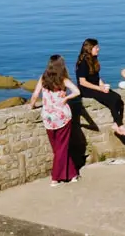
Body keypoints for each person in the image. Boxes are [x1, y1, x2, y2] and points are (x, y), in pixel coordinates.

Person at [29, 54, 81, 186]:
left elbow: (35, 95)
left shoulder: (43, 78)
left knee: (58, 148)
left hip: (48, 118)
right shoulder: (63, 79)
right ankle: (57, 177)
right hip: (63, 117)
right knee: (61, 148)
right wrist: (66, 98)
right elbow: (77, 91)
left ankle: (71, 174)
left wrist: (31, 106)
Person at [75, 38, 125, 138]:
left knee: (117, 97)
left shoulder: (94, 60)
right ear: (89, 48)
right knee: (111, 99)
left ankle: (117, 124)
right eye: (96, 47)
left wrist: (102, 85)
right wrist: (99, 89)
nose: (98, 49)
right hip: (86, 90)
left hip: (96, 86)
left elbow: (97, 77)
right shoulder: (83, 63)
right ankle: (120, 126)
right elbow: (82, 82)